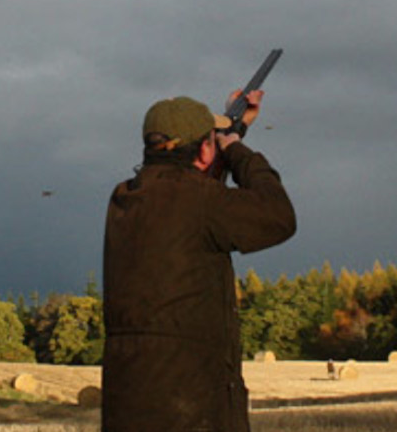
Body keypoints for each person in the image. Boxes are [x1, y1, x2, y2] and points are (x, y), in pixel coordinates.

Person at [102, 91, 296, 432]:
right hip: (192, 409)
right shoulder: (203, 202)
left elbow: (188, 196)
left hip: (128, 407)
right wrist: (236, 148)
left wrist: (233, 131)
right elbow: (278, 215)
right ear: (207, 149)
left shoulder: (124, 198)